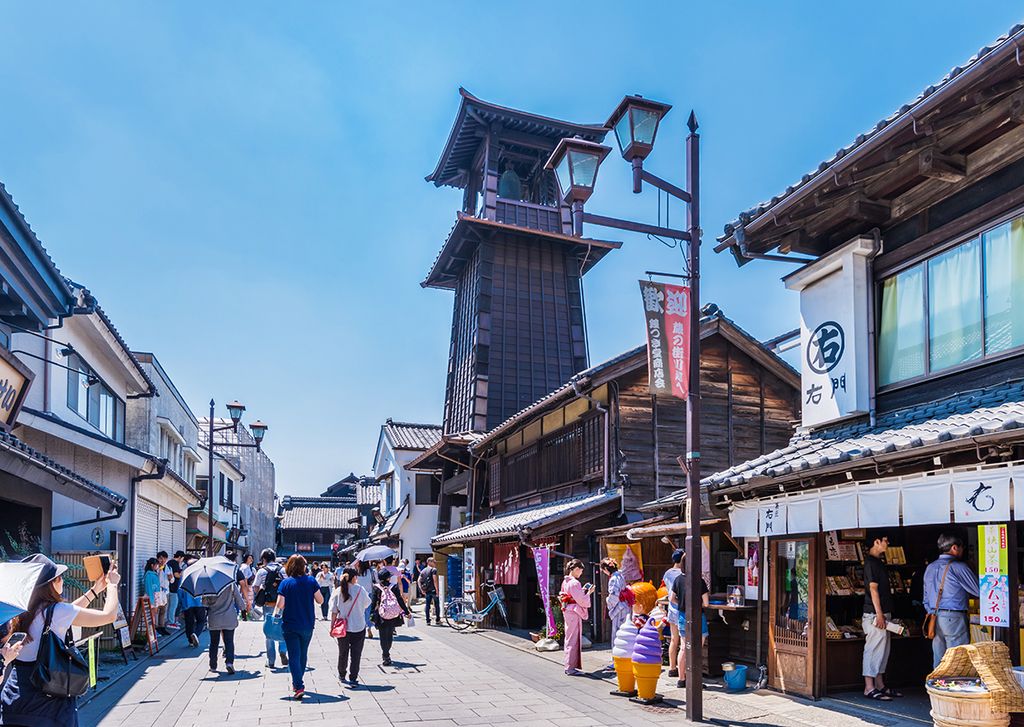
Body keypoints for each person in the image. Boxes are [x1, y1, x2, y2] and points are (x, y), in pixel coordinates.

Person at [0, 554, 121, 726]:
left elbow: (68, 613)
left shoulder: (18, 612)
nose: (62, 581)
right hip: (48, 699)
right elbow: (109, 616)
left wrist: (94, 590)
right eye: (60, 577)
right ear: (51, 584)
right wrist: (112, 585)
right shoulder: (57, 611)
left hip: (15, 698)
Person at [924, 532, 980, 669]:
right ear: (954, 548)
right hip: (953, 616)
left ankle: (938, 687)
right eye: (962, 548)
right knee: (957, 658)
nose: (962, 551)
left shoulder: (930, 567)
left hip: (934, 616)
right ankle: (953, 688)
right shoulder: (959, 567)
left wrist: (930, 610)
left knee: (939, 659)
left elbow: (925, 595)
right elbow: (979, 591)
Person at [274, 554, 324, 699]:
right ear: (304, 566)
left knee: (294, 656)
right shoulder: (311, 581)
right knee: (302, 654)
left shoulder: (286, 583)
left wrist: (275, 616)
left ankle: (298, 685)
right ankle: (298, 683)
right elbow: (320, 600)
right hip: (307, 624)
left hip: (290, 624)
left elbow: (280, 605)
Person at [862, 532, 896, 701]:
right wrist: (879, 614)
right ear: (876, 541)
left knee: (883, 650)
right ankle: (869, 687)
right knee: (874, 649)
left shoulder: (877, 562)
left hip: (881, 613)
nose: (887, 542)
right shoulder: (870, 563)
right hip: (874, 614)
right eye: (885, 540)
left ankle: (880, 685)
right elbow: (873, 589)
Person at [669, 555, 709, 689]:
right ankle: (695, 680)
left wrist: (682, 603)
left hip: (682, 616)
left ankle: (681, 679)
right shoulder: (699, 581)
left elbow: (671, 598)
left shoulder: (678, 579)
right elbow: (706, 603)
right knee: (697, 649)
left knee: (684, 648)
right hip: (698, 616)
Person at [330, 567, 371, 686]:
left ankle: (342, 674)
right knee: (356, 653)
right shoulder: (360, 590)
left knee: (343, 652)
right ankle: (353, 677)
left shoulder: (338, 591)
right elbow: (367, 604)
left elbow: (334, 611)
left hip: (342, 627)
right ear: (354, 578)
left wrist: (332, 626)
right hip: (358, 626)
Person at [203, 565, 245, 675]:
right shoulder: (230, 584)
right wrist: (244, 608)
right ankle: (229, 663)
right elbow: (238, 599)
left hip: (214, 617)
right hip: (229, 617)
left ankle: (213, 665)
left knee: (214, 642)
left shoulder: (208, 585)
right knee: (229, 641)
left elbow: (204, 603)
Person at [253, 548, 288, 666]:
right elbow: (288, 585)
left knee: (269, 630)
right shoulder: (283, 570)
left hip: (268, 604)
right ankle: (283, 650)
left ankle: (271, 660)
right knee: (283, 627)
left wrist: (261, 593)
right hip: (282, 603)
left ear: (264, 559)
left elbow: (256, 587)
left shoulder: (262, 571)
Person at [370, 568, 410, 667]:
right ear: (388, 578)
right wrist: (406, 611)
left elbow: (373, 602)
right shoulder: (394, 587)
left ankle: (385, 655)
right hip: (393, 615)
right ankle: (387, 652)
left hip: (381, 615)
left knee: (382, 636)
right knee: (389, 635)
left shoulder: (376, 587)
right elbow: (400, 600)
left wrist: (371, 614)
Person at [560, 559, 592, 676]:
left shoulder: (566, 581)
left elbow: (574, 595)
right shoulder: (574, 583)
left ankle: (569, 665)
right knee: (573, 638)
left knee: (569, 637)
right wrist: (588, 593)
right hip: (573, 611)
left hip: (568, 610)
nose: (581, 573)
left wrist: (583, 590)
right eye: (581, 571)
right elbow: (582, 600)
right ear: (577, 569)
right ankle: (570, 667)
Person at [601, 557, 629, 669]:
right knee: (625, 633)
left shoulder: (613, 579)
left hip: (619, 608)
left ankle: (617, 660)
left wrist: (608, 601)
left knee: (617, 634)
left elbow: (614, 596)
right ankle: (625, 658)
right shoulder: (620, 575)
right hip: (625, 606)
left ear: (606, 569)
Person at [662, 549, 683, 677]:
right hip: (681, 609)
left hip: (671, 608)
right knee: (685, 641)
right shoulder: (683, 574)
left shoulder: (667, 573)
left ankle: (672, 667)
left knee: (674, 640)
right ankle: (683, 669)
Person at [142, 557, 167, 636]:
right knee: (152, 615)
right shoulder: (149, 574)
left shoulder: (153, 573)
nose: (157, 566)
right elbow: (149, 588)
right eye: (156, 565)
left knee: (154, 614)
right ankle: (151, 632)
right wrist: (151, 600)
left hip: (155, 595)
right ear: (152, 565)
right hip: (152, 596)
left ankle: (153, 631)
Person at [356, 560, 376, 638]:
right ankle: (369, 627)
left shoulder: (358, 572)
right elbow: (374, 582)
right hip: (370, 593)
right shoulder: (371, 571)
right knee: (368, 611)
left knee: (361, 611)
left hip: (360, 593)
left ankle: (362, 628)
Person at [419, 557, 440, 626]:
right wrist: (437, 590)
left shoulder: (423, 570)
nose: (435, 563)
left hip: (427, 590)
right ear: (429, 562)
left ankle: (428, 620)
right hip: (433, 590)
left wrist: (421, 589)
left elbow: (418, 580)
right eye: (434, 562)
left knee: (427, 605)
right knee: (436, 604)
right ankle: (437, 620)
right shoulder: (434, 570)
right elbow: (435, 580)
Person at [156, 550, 172, 632]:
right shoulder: (156, 567)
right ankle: (156, 628)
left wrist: (171, 578)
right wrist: (160, 568)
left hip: (166, 592)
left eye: (164, 558)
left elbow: (172, 581)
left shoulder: (168, 567)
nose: (163, 560)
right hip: (158, 592)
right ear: (158, 559)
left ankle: (162, 627)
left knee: (163, 610)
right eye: (161, 558)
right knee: (157, 610)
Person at [167, 551, 185, 627]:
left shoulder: (171, 562)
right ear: (180, 557)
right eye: (182, 559)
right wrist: (183, 572)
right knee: (173, 605)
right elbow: (176, 575)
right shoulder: (174, 563)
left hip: (170, 587)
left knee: (172, 605)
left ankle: (172, 621)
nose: (182, 561)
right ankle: (171, 622)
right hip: (173, 588)